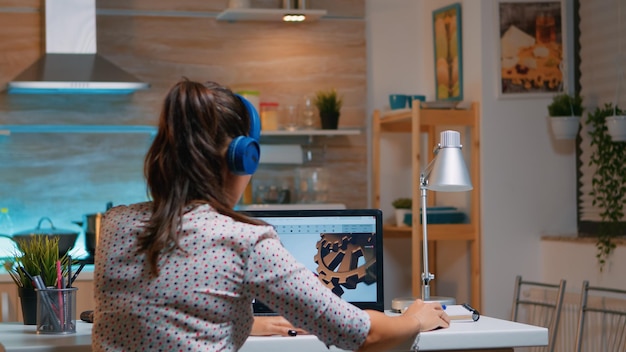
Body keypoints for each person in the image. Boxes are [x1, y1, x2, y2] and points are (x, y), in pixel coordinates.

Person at [92, 79, 450, 352]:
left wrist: (250, 323)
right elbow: (364, 333)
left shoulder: (113, 225)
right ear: (244, 157)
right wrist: (414, 319)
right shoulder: (245, 240)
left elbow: (170, 316)